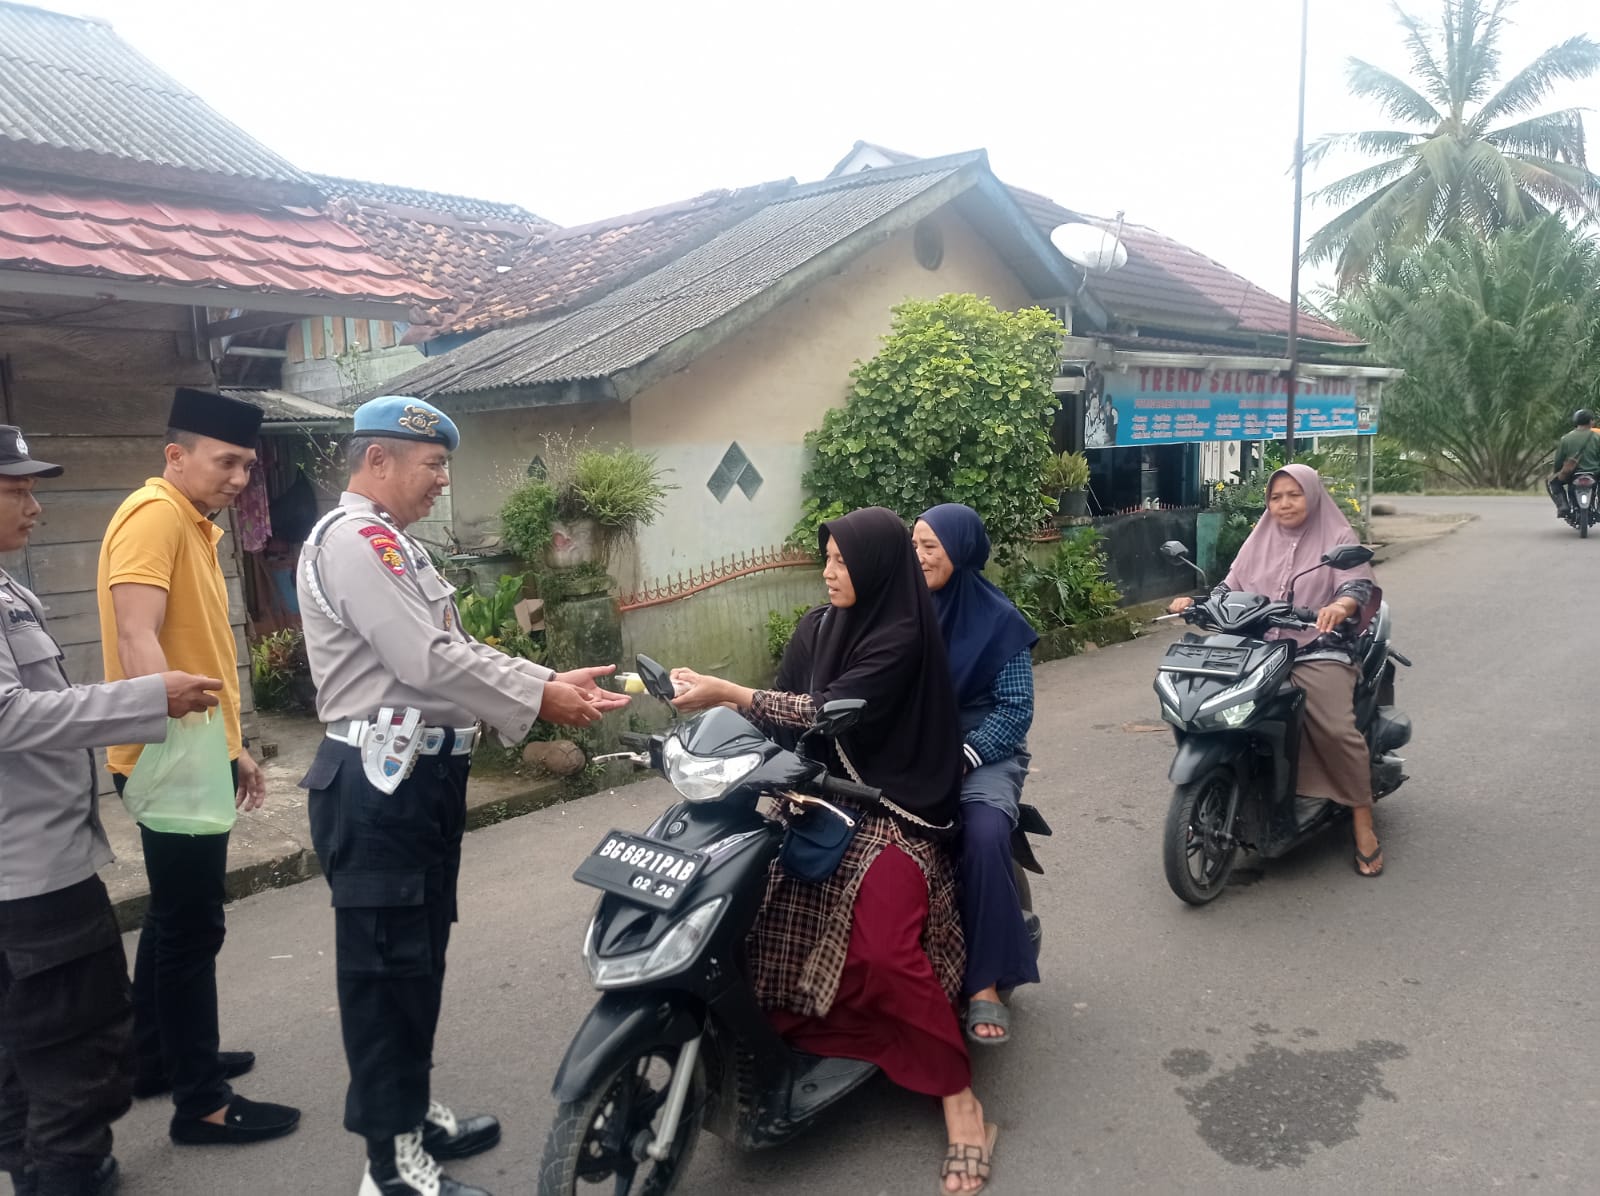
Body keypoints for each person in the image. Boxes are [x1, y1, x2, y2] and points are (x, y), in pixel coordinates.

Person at [296, 395, 630, 1196]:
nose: (444, 479)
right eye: (433, 463)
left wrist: (543, 677)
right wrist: (538, 698)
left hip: (418, 779)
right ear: (377, 461)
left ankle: (408, 1109)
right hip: (380, 784)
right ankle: (390, 1164)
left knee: (416, 961)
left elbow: (454, 645)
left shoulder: (397, 548)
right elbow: (424, 659)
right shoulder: (356, 542)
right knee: (384, 973)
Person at [671, 507, 1000, 1195]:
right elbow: (778, 709)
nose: (828, 573)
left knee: (884, 946)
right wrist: (718, 733)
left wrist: (727, 690)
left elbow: (826, 711)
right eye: (824, 559)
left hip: (894, 803)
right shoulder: (817, 629)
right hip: (817, 794)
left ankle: (960, 1100)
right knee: (749, 909)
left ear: (877, 566)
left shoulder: (904, 635)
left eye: (843, 562)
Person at [0, 425, 222, 1196]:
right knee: (76, 1036)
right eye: (16, 489)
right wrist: (145, 702)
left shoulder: (9, 588)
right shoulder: (152, 515)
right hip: (29, 871)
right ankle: (63, 1173)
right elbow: (8, 715)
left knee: (27, 1039)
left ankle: (38, 1163)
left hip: (38, 855)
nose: (36, 506)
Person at [96, 389, 300, 1145]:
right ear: (174, 456)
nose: (241, 478)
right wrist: (179, 739)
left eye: (247, 464)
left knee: (176, 920)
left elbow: (199, 651)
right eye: (226, 462)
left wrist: (234, 746)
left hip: (194, 747)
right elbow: (138, 631)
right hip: (169, 753)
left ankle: (154, 1057)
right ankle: (202, 1101)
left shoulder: (194, 525)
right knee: (192, 926)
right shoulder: (154, 515)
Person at [1168, 463, 1386, 876]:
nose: (1284, 504)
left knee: (1335, 728)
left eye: (1294, 494)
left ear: (1312, 495)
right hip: (1260, 646)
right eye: (1276, 497)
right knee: (1208, 695)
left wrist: (1340, 606)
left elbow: (1355, 584)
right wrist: (1196, 602)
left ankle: (1362, 821)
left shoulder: (1337, 536)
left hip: (1317, 646)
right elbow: (1230, 586)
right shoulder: (1260, 536)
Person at [912, 504, 1039, 1046]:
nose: (918, 558)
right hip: (914, 746)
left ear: (959, 550)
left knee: (983, 834)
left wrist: (966, 753)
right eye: (913, 546)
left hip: (983, 750)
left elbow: (1015, 710)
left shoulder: (999, 621)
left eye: (930, 547)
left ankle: (984, 984)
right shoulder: (901, 610)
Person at [1546, 409, 1600, 517]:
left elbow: (1559, 460)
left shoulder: (1565, 439)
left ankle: (1563, 506)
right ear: (1591, 422)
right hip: (1594, 473)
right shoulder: (1597, 437)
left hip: (1572, 474)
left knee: (1553, 482)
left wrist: (1558, 472)